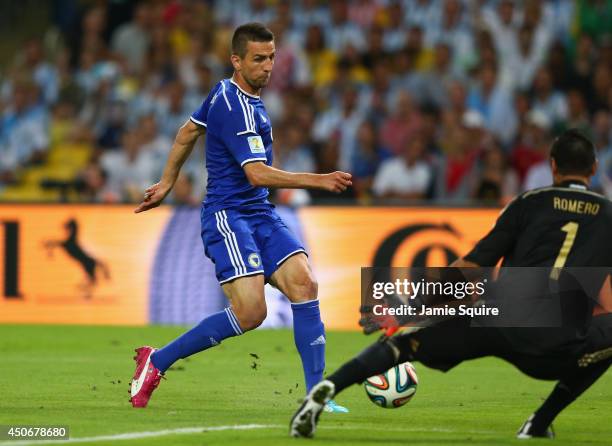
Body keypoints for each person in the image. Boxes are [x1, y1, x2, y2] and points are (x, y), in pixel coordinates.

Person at [290, 129, 612, 438]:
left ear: (553, 166)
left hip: (501, 321)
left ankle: (327, 388)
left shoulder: (529, 202)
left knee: (406, 344)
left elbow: (470, 268)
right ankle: (538, 423)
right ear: (594, 168)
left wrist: (412, 309)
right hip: (560, 342)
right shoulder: (608, 214)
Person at [129, 23, 352, 413]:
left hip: (258, 213)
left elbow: (185, 133)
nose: (267, 67)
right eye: (258, 59)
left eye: (271, 58)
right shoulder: (233, 105)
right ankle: (157, 360)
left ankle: (317, 395)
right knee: (251, 313)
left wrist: (167, 182)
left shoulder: (233, 95)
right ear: (237, 60)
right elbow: (257, 172)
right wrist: (318, 179)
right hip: (229, 217)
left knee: (304, 283)